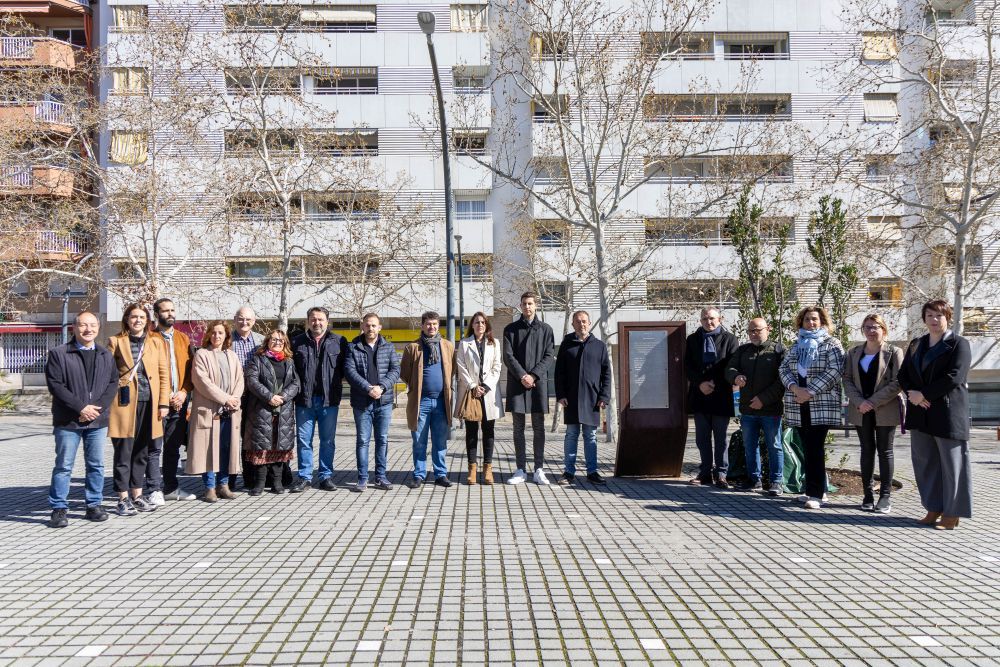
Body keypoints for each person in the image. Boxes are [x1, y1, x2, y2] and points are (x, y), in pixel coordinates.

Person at [897, 300, 972, 530]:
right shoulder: (916, 344)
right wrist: (913, 394)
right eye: (929, 315)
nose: (934, 319)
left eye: (939, 315)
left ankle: (952, 514)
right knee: (925, 463)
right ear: (924, 319)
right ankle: (933, 508)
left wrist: (924, 394)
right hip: (920, 413)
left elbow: (954, 377)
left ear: (947, 317)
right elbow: (903, 374)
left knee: (953, 466)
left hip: (947, 413)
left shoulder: (958, 343)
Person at [45, 311, 118, 528]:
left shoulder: (105, 355)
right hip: (68, 421)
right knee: (64, 466)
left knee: (96, 465)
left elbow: (112, 384)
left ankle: (93, 505)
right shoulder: (59, 353)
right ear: (74, 328)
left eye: (93, 325)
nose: (89, 329)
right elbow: (56, 385)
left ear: (98, 327)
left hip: (97, 420)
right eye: (83, 325)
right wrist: (81, 407)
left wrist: (97, 409)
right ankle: (59, 508)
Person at [778, 306, 845, 510]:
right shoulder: (796, 345)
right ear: (801, 322)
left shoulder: (831, 344)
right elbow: (783, 368)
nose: (811, 323)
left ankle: (817, 494)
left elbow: (835, 370)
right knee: (807, 449)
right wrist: (795, 388)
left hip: (819, 404)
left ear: (822, 321)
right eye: (807, 319)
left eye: (815, 319)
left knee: (815, 448)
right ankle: (813, 490)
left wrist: (810, 391)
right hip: (798, 404)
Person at [108, 303, 170, 516]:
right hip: (124, 404)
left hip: (150, 403)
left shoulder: (156, 342)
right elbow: (108, 374)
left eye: (142, 317)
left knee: (142, 452)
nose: (138, 321)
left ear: (148, 320)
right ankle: (122, 498)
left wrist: (164, 404)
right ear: (127, 319)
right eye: (133, 317)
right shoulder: (116, 342)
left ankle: (137, 494)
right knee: (124, 451)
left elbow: (164, 375)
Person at [842, 314, 904, 513]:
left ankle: (885, 496)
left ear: (883, 330)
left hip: (885, 409)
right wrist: (861, 402)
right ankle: (867, 494)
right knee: (866, 450)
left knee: (885, 451)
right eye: (867, 327)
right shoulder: (853, 353)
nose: (871, 330)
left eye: (875, 327)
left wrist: (872, 402)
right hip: (861, 410)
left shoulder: (894, 352)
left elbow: (899, 382)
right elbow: (847, 380)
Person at [725, 317, 786, 495]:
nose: (753, 334)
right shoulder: (743, 350)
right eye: (750, 330)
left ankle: (776, 482)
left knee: (774, 446)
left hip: (770, 410)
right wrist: (735, 377)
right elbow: (729, 368)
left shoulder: (778, 350)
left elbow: (782, 381)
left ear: (768, 329)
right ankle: (754, 480)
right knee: (750, 445)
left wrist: (763, 399)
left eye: (757, 330)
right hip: (748, 410)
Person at [186, 321, 244, 502]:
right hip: (209, 411)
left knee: (226, 449)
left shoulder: (232, 356)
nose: (217, 336)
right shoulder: (202, 354)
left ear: (226, 336)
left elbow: (239, 380)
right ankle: (209, 487)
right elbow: (202, 383)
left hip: (229, 412)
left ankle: (223, 484)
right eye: (213, 332)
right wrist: (225, 398)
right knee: (208, 449)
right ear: (208, 335)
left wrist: (234, 398)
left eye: (220, 333)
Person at [291, 306, 347, 493]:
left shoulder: (339, 341)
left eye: (320, 319)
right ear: (308, 321)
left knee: (327, 440)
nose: (317, 322)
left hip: (328, 401)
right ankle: (305, 477)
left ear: (327, 321)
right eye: (313, 319)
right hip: (304, 400)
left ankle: (325, 476)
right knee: (304, 441)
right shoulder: (297, 341)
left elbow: (346, 370)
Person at [554, 310, 612, 486]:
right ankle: (569, 472)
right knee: (571, 435)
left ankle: (592, 472)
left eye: (584, 321)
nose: (581, 324)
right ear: (573, 325)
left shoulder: (599, 345)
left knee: (591, 436)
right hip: (571, 398)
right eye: (578, 322)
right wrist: (561, 394)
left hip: (592, 399)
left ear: (589, 322)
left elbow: (606, 374)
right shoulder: (567, 344)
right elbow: (559, 373)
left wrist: (604, 396)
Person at [503, 291, 555, 485]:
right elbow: (508, 356)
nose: (527, 307)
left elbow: (549, 356)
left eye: (530, 303)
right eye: (524, 303)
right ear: (521, 305)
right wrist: (523, 375)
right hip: (517, 384)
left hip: (537, 384)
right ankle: (520, 470)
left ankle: (538, 469)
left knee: (539, 427)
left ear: (536, 305)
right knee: (518, 428)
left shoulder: (546, 329)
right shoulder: (510, 329)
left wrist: (533, 375)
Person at [344, 313, 400, 492]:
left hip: (383, 402)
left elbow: (395, 370)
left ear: (380, 327)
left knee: (382, 439)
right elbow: (349, 371)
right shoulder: (353, 347)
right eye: (368, 325)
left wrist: (382, 387)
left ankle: (381, 477)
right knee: (363, 440)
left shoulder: (388, 347)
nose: (371, 328)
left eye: (374, 325)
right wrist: (368, 388)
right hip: (362, 402)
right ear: (363, 326)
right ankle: (362, 478)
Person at [148, 298, 196, 503]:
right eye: (165, 311)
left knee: (173, 447)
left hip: (179, 402)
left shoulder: (183, 339)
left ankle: (171, 487)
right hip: (157, 404)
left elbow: (191, 371)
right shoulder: (149, 338)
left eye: (172, 310)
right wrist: (164, 396)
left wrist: (184, 392)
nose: (170, 314)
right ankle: (153, 489)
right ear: (156, 314)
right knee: (153, 448)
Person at [685, 307, 738, 488]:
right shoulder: (692, 340)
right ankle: (705, 472)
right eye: (705, 319)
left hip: (721, 395)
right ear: (701, 321)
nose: (709, 322)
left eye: (712, 318)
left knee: (721, 438)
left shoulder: (730, 339)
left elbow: (731, 365)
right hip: (700, 396)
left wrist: (714, 383)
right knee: (702, 438)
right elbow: (688, 367)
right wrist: (701, 383)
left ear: (720, 319)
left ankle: (722, 474)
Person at [401, 311, 455, 488]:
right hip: (421, 402)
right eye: (428, 324)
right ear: (422, 326)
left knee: (440, 441)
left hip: (441, 401)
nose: (431, 327)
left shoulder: (447, 346)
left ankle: (440, 474)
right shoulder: (413, 347)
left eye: (434, 324)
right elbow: (405, 374)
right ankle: (419, 474)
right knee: (419, 441)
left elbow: (452, 370)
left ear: (438, 325)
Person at [243, 329, 300, 495]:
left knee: (280, 447)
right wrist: (269, 397)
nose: (277, 343)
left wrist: (282, 397)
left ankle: (277, 482)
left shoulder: (289, 361)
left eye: (281, 341)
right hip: (262, 410)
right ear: (267, 341)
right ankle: (259, 484)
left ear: (285, 344)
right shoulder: (258, 359)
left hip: (284, 411)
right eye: (274, 340)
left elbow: (296, 383)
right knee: (262, 448)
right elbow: (251, 380)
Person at [454, 311, 504, 485]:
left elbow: (497, 366)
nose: (480, 325)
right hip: (471, 393)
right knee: (471, 432)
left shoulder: (494, 343)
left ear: (487, 325)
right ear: (472, 325)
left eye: (482, 322)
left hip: (488, 393)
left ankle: (488, 469)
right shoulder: (464, 343)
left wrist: (486, 385)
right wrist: (473, 386)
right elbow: (461, 366)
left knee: (489, 431)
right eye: (476, 322)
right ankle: (472, 469)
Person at [232, 306, 264, 488]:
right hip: (233, 396)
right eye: (241, 319)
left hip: (254, 396)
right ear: (235, 319)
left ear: (254, 321)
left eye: (248, 320)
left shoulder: (260, 341)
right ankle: (229, 475)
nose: (245, 323)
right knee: (232, 437)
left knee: (251, 437)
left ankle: (249, 476)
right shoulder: (227, 340)